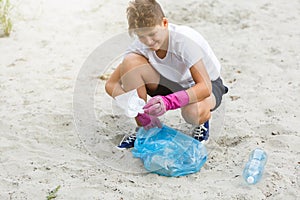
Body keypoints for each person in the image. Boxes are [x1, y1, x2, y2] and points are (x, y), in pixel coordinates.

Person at [105, 0, 228, 149]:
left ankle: (203, 122)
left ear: (164, 23)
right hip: (170, 81)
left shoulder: (184, 41)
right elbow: (111, 85)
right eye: (141, 36)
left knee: (193, 113)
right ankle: (144, 129)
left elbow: (205, 87)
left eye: (152, 34)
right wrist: (135, 107)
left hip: (204, 84)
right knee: (130, 62)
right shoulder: (140, 46)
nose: (148, 41)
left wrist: (169, 102)